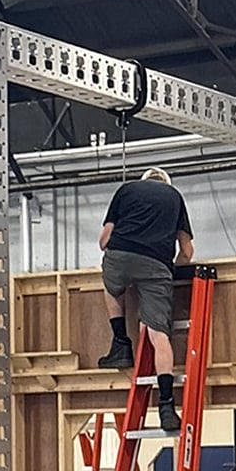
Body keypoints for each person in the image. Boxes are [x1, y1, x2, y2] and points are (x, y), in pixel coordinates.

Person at [98, 167, 194, 432]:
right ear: (166, 183)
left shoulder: (126, 190)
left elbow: (104, 241)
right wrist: (166, 271)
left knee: (112, 285)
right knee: (159, 334)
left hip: (121, 255)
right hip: (156, 265)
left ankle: (120, 345)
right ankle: (166, 406)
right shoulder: (175, 198)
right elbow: (187, 251)